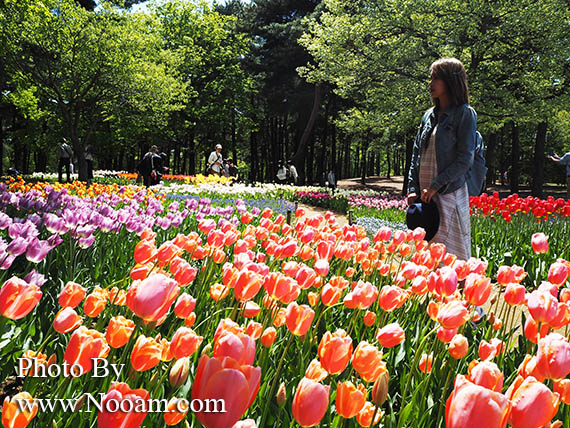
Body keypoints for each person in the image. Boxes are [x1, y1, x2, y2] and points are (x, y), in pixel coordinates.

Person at [407, 58, 477, 261]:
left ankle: (461, 293)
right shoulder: (428, 116)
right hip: (426, 197)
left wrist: (435, 186)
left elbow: (465, 159)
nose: (431, 83)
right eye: (431, 78)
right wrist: (413, 188)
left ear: (451, 81)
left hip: (448, 194)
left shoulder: (464, 114)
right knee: (429, 254)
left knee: (454, 257)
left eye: (436, 78)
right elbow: (416, 154)